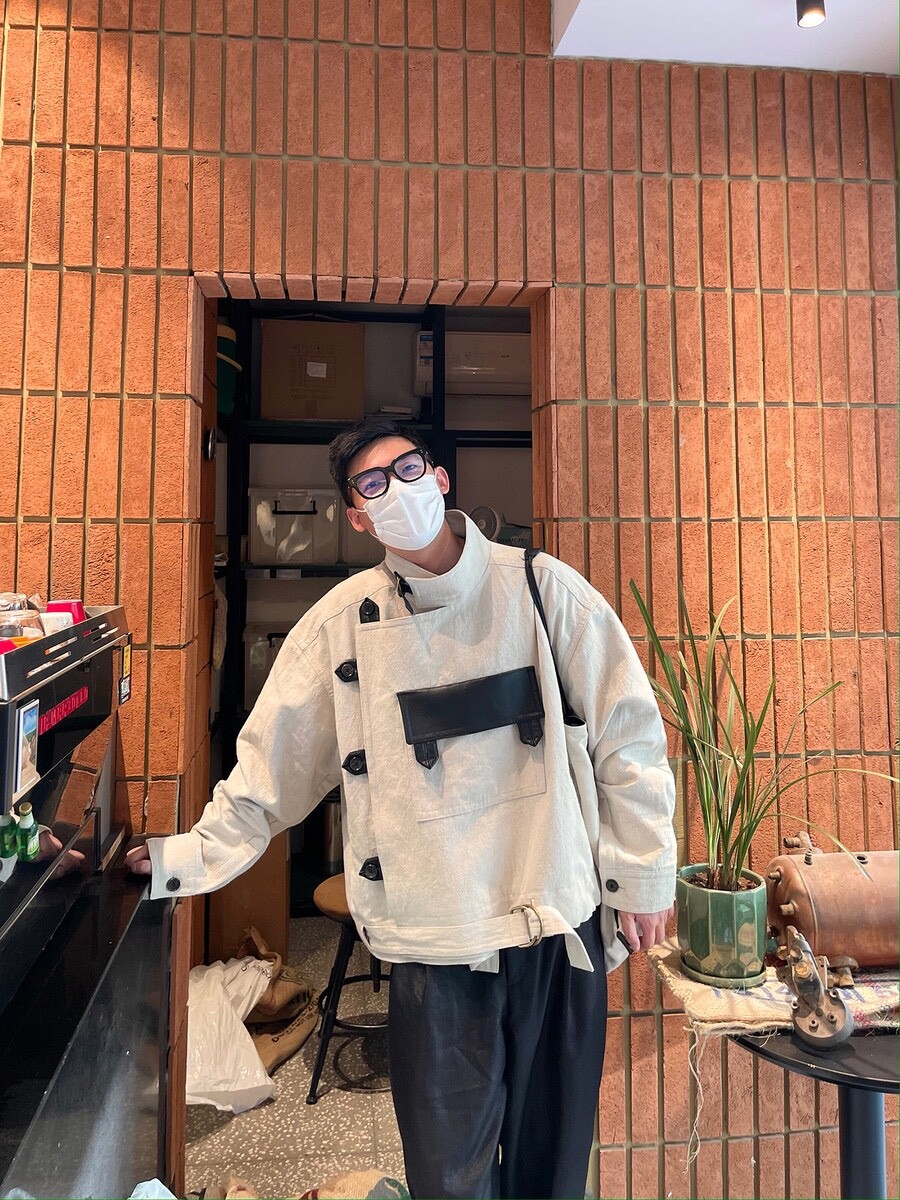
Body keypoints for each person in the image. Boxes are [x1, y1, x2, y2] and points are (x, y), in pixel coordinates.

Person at [126, 419, 676, 1200]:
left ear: (441, 478)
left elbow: (629, 735)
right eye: (373, 484)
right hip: (433, 941)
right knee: (448, 1178)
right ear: (357, 517)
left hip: (554, 921)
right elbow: (269, 772)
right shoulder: (340, 624)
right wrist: (181, 859)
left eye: (408, 468)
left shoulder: (541, 588)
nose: (397, 490)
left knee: (553, 1170)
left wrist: (642, 879)